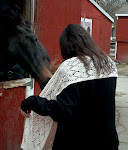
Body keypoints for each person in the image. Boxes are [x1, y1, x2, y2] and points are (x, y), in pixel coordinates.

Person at [21, 24, 119, 150]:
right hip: (107, 142)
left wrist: (32, 102)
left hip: (75, 142)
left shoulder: (70, 67)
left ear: (66, 46)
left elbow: (63, 112)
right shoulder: (108, 63)